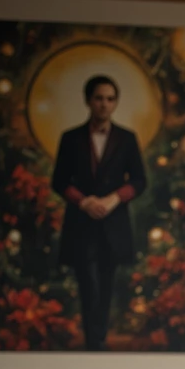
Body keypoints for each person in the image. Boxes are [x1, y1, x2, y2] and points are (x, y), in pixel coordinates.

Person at [52, 75, 147, 350]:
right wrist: (84, 202)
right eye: (98, 98)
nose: (104, 104)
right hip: (81, 225)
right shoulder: (70, 138)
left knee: (106, 283)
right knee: (87, 283)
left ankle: (99, 340)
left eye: (110, 99)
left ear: (115, 102)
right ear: (88, 101)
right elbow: (59, 181)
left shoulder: (127, 138)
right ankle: (94, 342)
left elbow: (139, 180)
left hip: (113, 224)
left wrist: (114, 199)